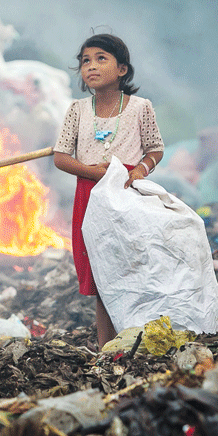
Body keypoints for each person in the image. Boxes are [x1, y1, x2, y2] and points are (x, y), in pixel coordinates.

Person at [53, 33, 164, 349]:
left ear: (123, 70)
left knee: (132, 268)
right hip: (91, 198)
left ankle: (139, 340)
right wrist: (93, 173)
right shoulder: (77, 110)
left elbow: (155, 149)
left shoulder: (140, 107)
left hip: (128, 194)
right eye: (85, 61)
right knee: (103, 277)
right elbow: (61, 158)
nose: (91, 66)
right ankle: (109, 348)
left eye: (101, 58)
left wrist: (141, 169)